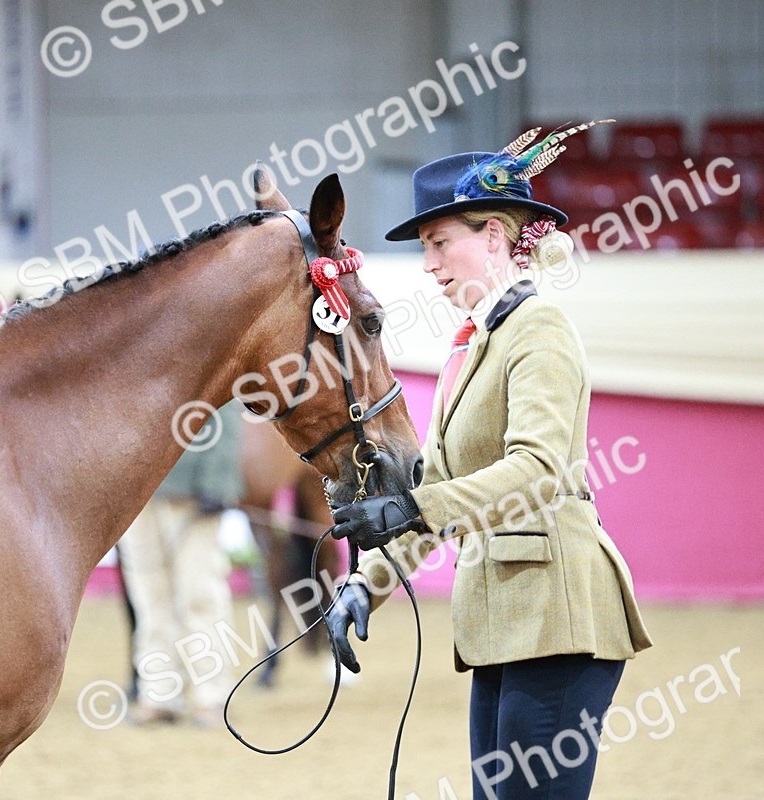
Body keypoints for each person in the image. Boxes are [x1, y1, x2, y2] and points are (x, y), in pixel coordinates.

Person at [325, 123, 653, 800]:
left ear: (496, 238)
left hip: (557, 619)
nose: (429, 263)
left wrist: (408, 505)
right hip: (505, 624)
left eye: (440, 242)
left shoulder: (540, 330)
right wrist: (367, 584)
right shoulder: (471, 350)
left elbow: (538, 471)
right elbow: (445, 488)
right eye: (426, 248)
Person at [116, 401, 244, 727]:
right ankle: (157, 694)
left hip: (192, 492)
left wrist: (217, 483)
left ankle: (211, 696)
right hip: (134, 490)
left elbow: (225, 407)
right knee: (148, 599)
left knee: (200, 595)